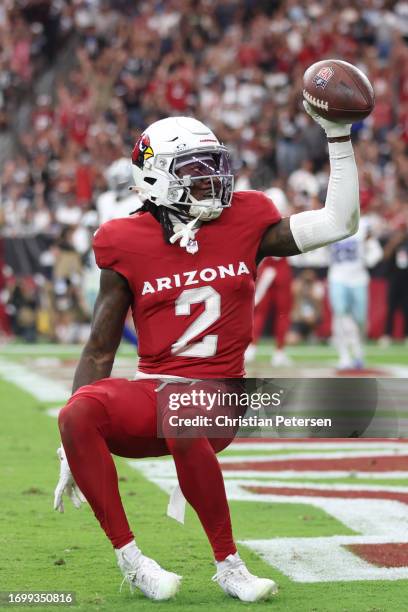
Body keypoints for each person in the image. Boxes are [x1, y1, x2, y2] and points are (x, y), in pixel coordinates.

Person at [54, 104, 360, 602]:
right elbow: (98, 350)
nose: (214, 178)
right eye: (195, 170)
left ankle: (230, 565)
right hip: (156, 385)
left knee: (183, 413)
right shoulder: (122, 240)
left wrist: (338, 136)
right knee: (77, 412)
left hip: (219, 393)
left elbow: (338, 222)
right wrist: (72, 441)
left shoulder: (247, 219)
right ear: (155, 179)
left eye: (214, 164)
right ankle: (132, 561)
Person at [327, 216, 383, 369]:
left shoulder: (363, 224)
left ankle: (358, 351)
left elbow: (376, 250)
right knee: (340, 315)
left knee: (360, 319)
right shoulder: (330, 222)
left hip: (358, 278)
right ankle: (344, 355)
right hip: (337, 276)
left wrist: (367, 261)